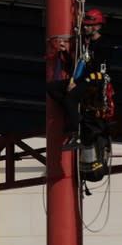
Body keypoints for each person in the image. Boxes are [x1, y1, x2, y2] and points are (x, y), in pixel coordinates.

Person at [47, 8, 112, 148]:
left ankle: (75, 134)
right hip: (81, 79)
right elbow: (76, 66)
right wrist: (65, 53)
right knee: (52, 87)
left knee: (71, 97)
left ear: (98, 26)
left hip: (95, 81)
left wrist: (77, 84)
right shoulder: (85, 44)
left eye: (89, 25)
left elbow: (100, 71)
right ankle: (75, 116)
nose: (86, 28)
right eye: (85, 25)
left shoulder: (103, 45)